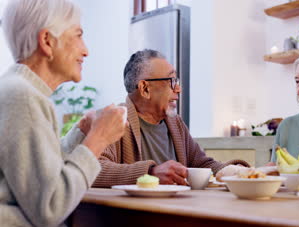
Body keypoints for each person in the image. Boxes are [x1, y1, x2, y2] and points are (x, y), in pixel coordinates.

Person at [0, 0, 127, 227]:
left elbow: (38, 176)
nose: (86, 51)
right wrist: (98, 139)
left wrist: (80, 134)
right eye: (79, 35)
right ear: (47, 41)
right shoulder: (22, 96)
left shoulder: (18, 90)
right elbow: (50, 206)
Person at [92, 49, 249, 188]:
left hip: (176, 211)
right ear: (145, 88)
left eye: (177, 81)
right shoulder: (114, 120)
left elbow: (202, 164)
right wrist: (150, 173)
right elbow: (92, 168)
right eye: (171, 81)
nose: (178, 89)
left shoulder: (175, 123)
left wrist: (243, 173)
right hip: (133, 217)